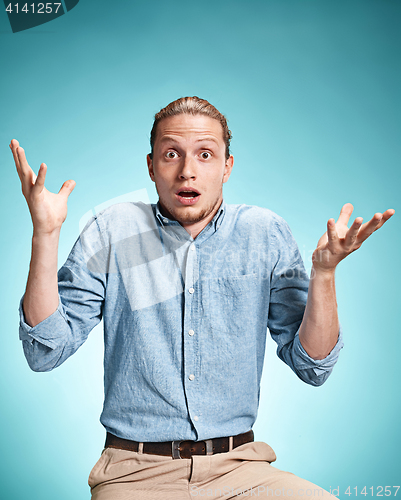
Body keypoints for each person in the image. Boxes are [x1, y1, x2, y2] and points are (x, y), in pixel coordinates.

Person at [11, 97, 394, 499]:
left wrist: (326, 273)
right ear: (151, 165)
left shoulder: (264, 233)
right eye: (171, 154)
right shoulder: (114, 228)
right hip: (133, 475)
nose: (187, 171)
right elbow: (45, 352)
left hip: (241, 469)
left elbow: (313, 367)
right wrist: (46, 233)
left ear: (227, 167)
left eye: (205, 154)